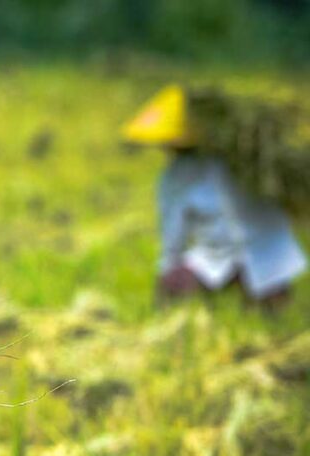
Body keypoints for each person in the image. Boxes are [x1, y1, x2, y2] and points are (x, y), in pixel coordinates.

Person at [122, 84, 308, 307]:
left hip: (253, 257)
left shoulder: (186, 174)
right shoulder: (244, 158)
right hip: (248, 256)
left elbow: (173, 234)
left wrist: (167, 271)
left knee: (173, 286)